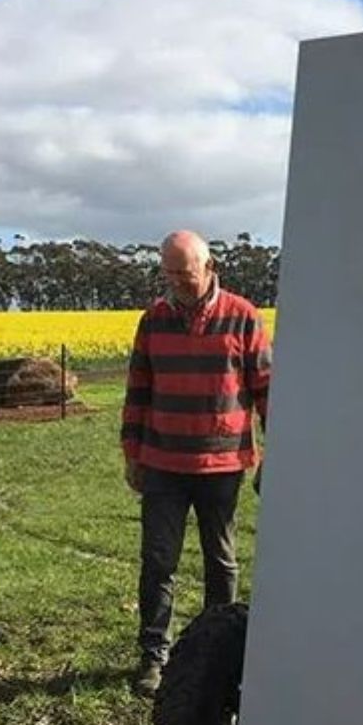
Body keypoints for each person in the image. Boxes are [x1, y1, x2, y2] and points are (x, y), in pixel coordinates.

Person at [122, 230, 272, 697]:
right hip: (163, 462)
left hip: (222, 463)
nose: (175, 283)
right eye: (168, 274)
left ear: (209, 268)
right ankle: (154, 657)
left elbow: (268, 390)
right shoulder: (154, 320)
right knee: (158, 560)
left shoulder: (243, 318)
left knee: (221, 561)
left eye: (183, 274)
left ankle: (216, 656)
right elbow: (138, 389)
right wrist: (132, 452)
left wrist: (278, 454)